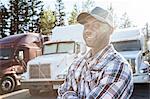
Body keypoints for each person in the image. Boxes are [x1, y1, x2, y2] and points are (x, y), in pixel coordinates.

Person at [57, 6, 133, 99]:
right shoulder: (76, 64)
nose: (88, 30)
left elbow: (65, 93)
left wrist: (68, 94)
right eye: (86, 26)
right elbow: (63, 91)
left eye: (96, 25)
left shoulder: (119, 66)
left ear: (110, 31)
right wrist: (66, 93)